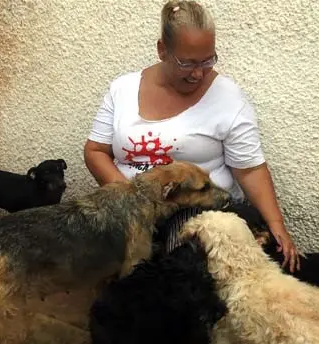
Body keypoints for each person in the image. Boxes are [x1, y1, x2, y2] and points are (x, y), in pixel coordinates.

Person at [83, 0, 300, 272]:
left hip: (195, 210)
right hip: (127, 209)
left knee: (172, 267)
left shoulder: (228, 98)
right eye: (186, 63)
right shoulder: (123, 88)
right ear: (162, 49)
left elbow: (250, 169)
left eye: (207, 61)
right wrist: (133, 200)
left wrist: (276, 225)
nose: (198, 73)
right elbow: (95, 151)